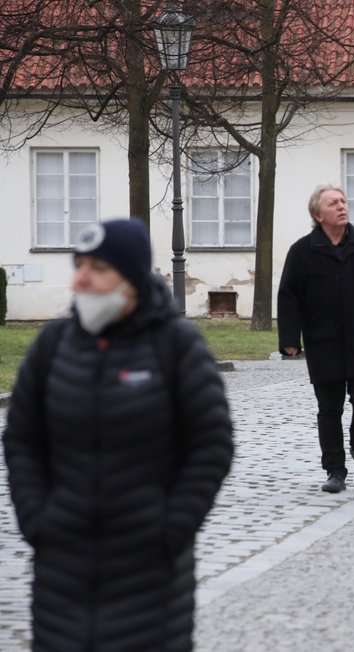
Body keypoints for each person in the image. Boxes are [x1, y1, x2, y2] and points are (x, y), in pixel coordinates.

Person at [3, 219, 234, 651]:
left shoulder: (176, 344)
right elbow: (22, 439)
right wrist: (37, 518)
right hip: (62, 567)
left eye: (97, 268)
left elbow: (211, 444)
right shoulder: (54, 344)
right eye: (79, 265)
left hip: (148, 570)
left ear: (130, 278)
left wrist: (171, 528)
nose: (81, 278)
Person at [278, 184, 354, 494]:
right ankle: (334, 469)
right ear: (318, 214)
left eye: (344, 201)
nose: (342, 206)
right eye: (334, 203)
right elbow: (288, 296)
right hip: (324, 342)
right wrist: (290, 338)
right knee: (329, 408)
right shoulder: (302, 251)